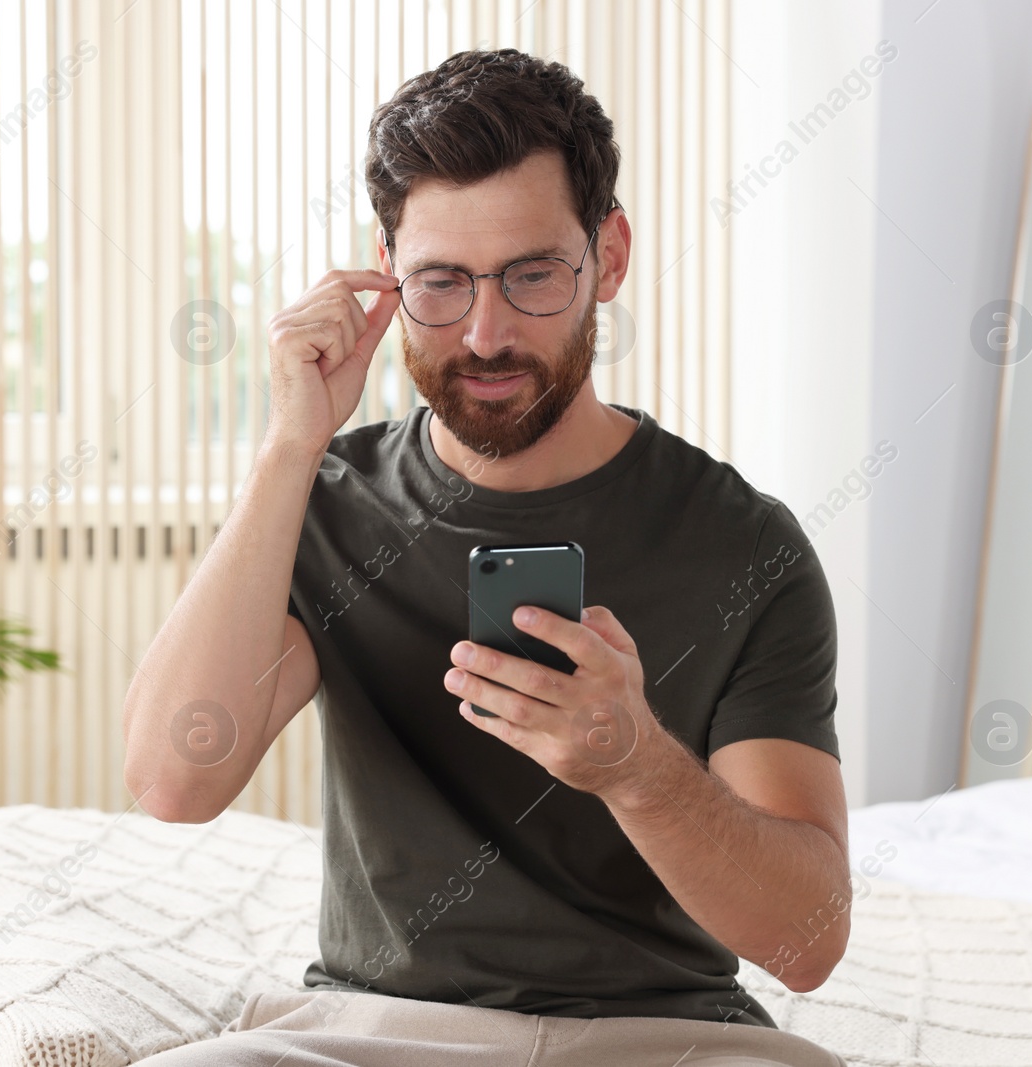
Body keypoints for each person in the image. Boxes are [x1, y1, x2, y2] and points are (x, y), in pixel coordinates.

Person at [125, 46, 851, 1067]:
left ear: (609, 253)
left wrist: (638, 768)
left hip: (670, 1039)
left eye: (531, 275)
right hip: (373, 1032)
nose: (485, 332)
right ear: (385, 271)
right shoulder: (327, 502)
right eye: (441, 282)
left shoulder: (745, 545)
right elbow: (172, 778)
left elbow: (808, 941)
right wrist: (289, 450)